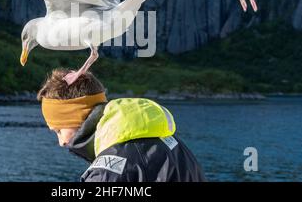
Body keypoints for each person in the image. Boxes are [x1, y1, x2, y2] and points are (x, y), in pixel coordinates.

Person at [38, 68, 206, 182]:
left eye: (59, 130)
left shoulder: (106, 174)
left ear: (76, 116)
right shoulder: (171, 143)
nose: (61, 142)